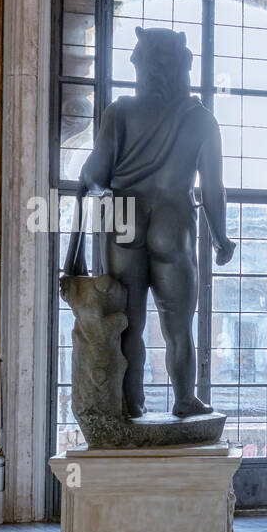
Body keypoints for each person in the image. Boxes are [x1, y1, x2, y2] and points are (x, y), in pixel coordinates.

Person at [74, 27, 236, 419]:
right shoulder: (202, 120)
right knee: (178, 323)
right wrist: (220, 238)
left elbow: (92, 176)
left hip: (122, 222)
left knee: (128, 323)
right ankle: (184, 400)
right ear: (181, 66)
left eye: (135, 59)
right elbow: (213, 189)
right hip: (172, 220)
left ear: (144, 65)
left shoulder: (120, 111)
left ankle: (130, 404)